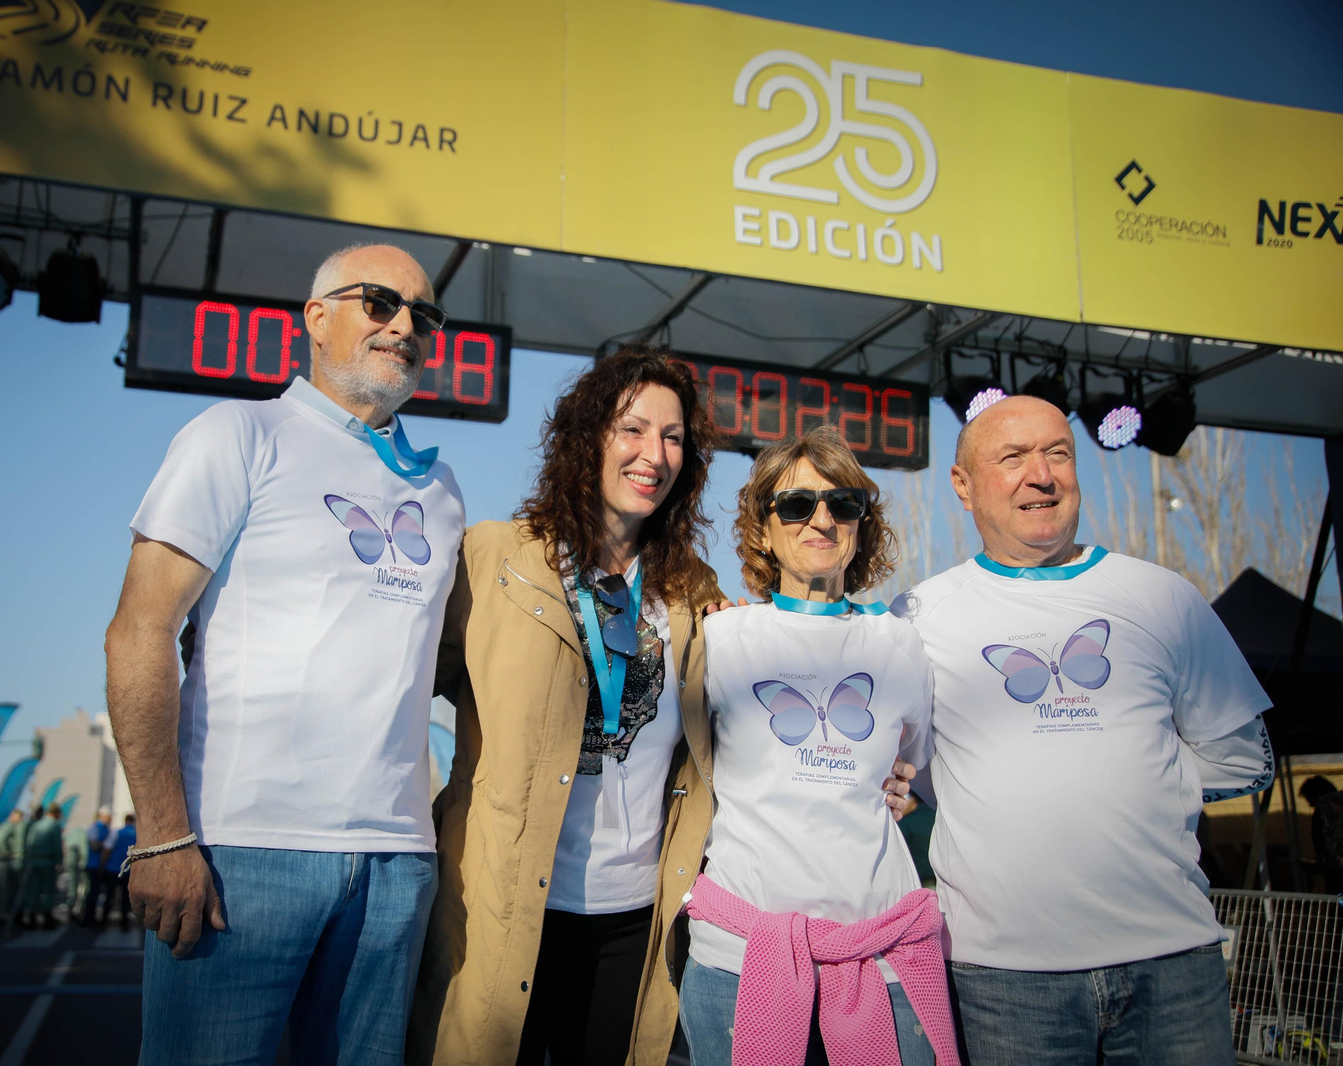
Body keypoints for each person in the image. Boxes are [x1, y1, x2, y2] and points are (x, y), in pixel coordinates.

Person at [410, 354, 916, 1066]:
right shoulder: (494, 559)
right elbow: (403, 688)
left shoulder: (691, 590)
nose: (655, 454)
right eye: (633, 429)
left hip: (636, 923)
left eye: (674, 437)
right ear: (586, 438)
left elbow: (757, 725)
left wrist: (883, 775)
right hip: (502, 909)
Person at [106, 243, 463, 1065]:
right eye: (379, 302)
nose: (405, 325)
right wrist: (162, 837)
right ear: (317, 316)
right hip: (241, 854)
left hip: (396, 865)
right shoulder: (239, 433)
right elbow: (138, 630)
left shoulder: (441, 493)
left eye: (424, 314)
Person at [891, 395, 1274, 1066]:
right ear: (963, 485)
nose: (1041, 475)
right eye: (1012, 457)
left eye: (1057, 453)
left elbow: (1245, 760)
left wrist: (1136, 782)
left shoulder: (1162, 596)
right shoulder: (919, 615)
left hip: (1171, 966)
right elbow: (905, 769)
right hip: (1003, 980)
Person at [679, 427, 956, 1066]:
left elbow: (915, 766)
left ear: (862, 522)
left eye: (843, 504)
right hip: (740, 960)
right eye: (797, 505)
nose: (821, 520)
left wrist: (901, 785)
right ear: (764, 527)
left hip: (880, 958)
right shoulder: (721, 638)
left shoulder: (899, 646)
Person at [21, 802, 64, 929]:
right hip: (47, 861)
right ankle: (46, 918)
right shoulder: (54, 826)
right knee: (47, 891)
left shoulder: (35, 825)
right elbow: (57, 846)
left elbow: (28, 844)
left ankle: (32, 918)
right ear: (56, 813)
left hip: (33, 860)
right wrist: (59, 861)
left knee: (33, 890)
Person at [98, 814, 138, 932]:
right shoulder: (137, 834)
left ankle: (103, 922)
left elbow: (107, 849)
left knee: (109, 896)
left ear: (125, 821)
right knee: (126, 898)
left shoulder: (116, 832)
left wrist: (102, 864)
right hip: (129, 871)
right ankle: (124, 924)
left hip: (113, 869)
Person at [0, 808, 25, 925]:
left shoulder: (5, 825)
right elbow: (0, 840)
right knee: (2, 890)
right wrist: (6, 853)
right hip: (2, 861)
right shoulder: (9, 826)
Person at [80, 807, 112, 927]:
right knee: (92, 894)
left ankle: (90, 918)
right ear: (103, 816)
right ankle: (88, 918)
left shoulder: (104, 828)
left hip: (99, 865)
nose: (111, 818)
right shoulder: (95, 828)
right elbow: (94, 845)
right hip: (94, 865)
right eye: (109, 816)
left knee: (96, 893)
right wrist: (107, 845)